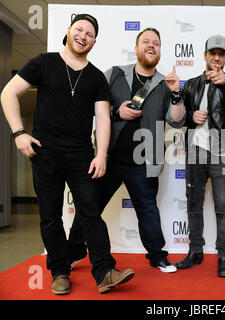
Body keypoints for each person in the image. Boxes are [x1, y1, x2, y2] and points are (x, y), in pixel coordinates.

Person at [0, 14, 134, 295]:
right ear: (69, 31)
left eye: (89, 33)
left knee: (90, 211)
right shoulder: (43, 62)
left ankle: (105, 271)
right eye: (79, 29)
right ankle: (59, 271)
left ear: (94, 42)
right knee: (50, 215)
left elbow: (103, 118)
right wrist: (18, 133)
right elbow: (8, 93)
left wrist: (102, 155)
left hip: (81, 152)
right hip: (45, 151)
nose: (83, 36)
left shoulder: (97, 77)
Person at [67, 27, 185, 273]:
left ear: (160, 50)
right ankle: (74, 251)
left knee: (148, 211)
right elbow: (95, 108)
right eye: (146, 42)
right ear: (136, 47)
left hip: (144, 161)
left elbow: (176, 121)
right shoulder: (114, 74)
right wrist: (116, 112)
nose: (151, 46)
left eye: (156, 42)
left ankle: (157, 256)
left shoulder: (165, 83)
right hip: (107, 158)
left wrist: (175, 94)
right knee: (89, 207)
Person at [175, 35, 225, 277]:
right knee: (194, 203)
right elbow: (178, 116)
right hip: (195, 151)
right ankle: (195, 251)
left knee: (223, 205)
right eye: (212, 53)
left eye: (221, 54)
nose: (216, 57)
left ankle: (224, 255)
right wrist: (191, 115)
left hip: (221, 150)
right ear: (204, 55)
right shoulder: (191, 83)